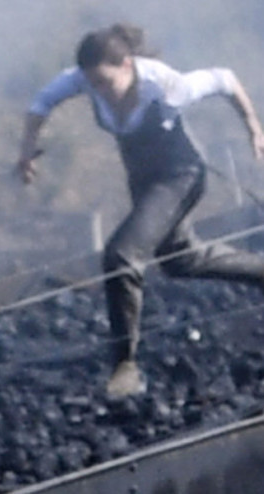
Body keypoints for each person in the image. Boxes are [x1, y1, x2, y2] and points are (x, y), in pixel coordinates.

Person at [17, 24, 264, 398]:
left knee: (121, 255)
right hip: (146, 184)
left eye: (105, 82)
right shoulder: (84, 79)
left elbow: (224, 79)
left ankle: (125, 366)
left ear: (128, 65)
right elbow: (40, 104)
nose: (98, 91)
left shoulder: (165, 85)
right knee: (181, 259)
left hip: (181, 176)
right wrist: (26, 151)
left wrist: (253, 127)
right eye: (91, 84)